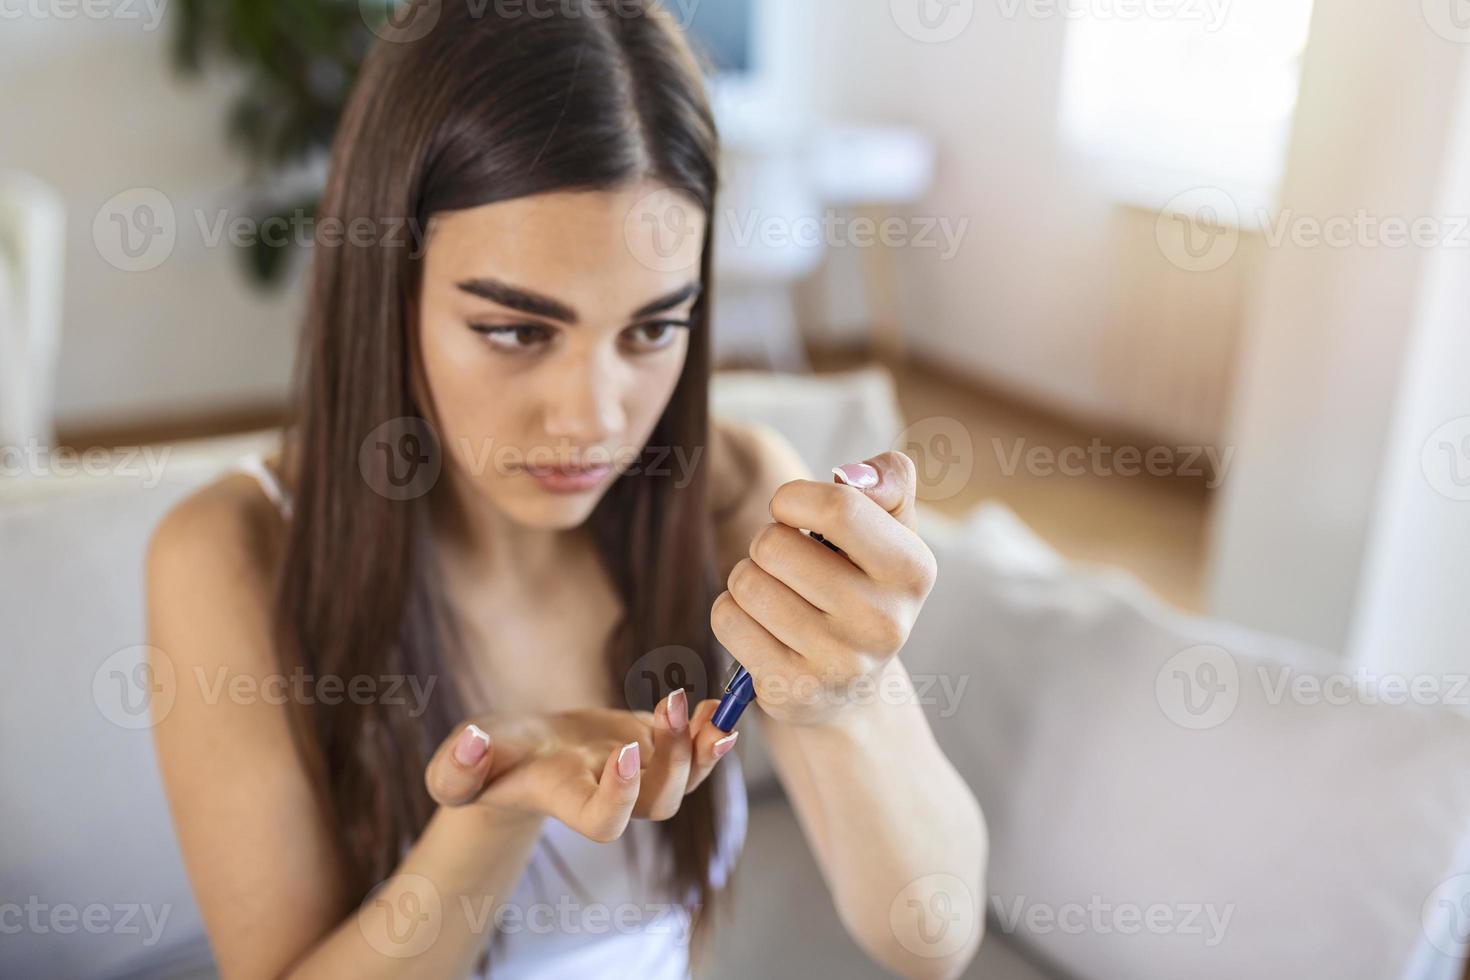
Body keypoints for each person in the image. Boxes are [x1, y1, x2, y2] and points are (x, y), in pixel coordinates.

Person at [145, 2, 986, 976]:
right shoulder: (230, 552)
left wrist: (853, 693)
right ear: (390, 283)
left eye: (652, 328)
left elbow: (935, 935)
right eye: (517, 330)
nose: (593, 417)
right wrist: (496, 811)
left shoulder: (732, 489)